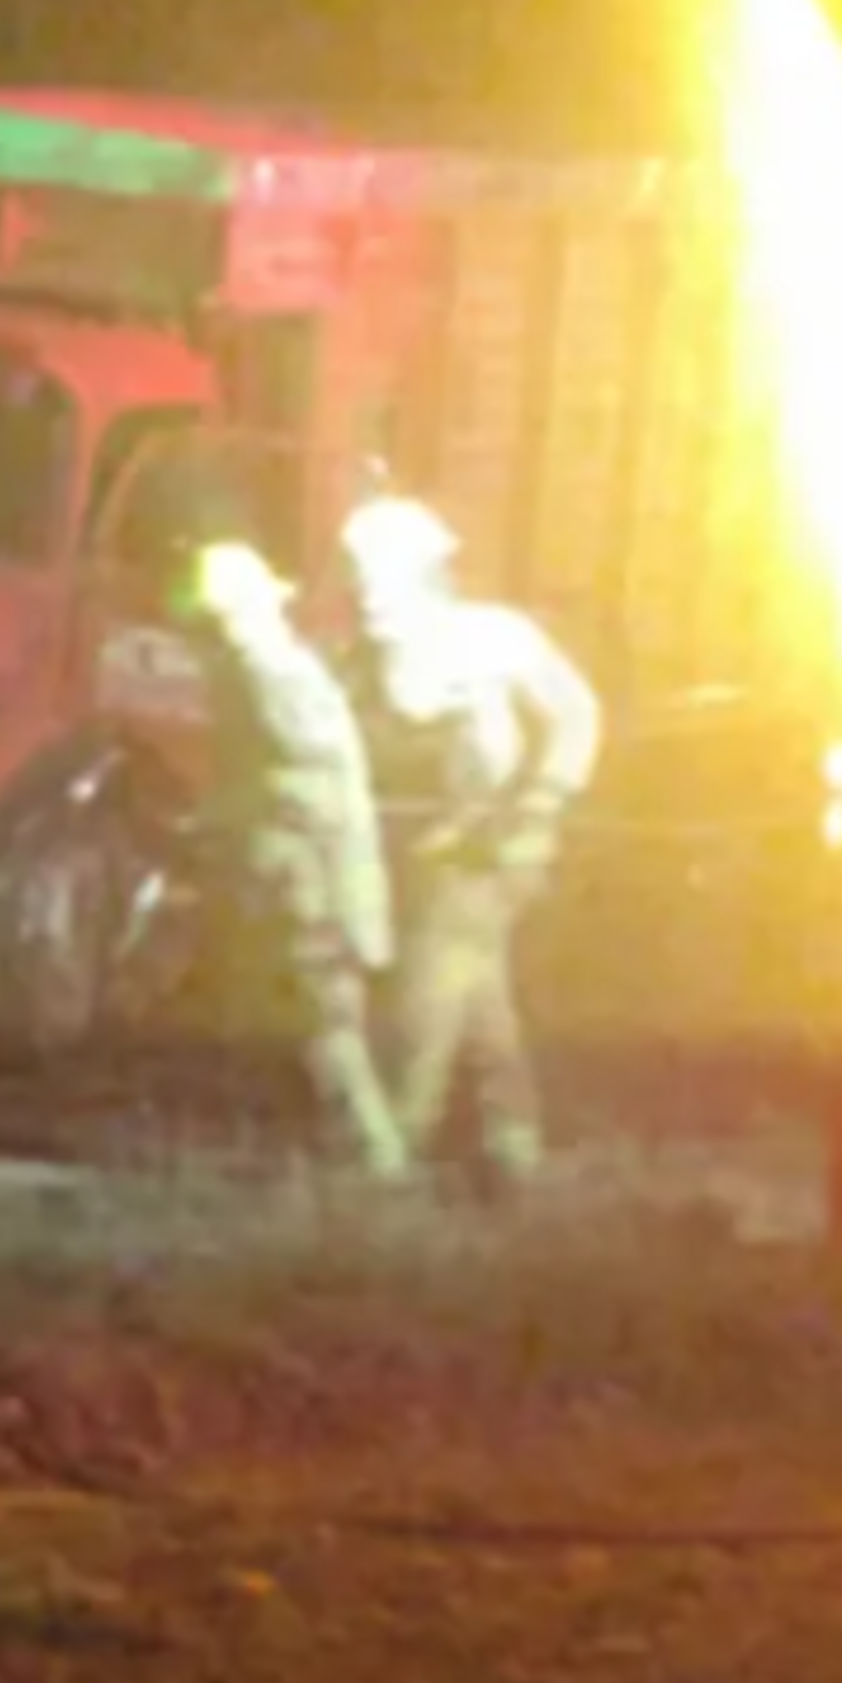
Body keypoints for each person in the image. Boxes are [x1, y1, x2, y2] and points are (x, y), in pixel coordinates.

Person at [335, 485, 603, 1193]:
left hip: (488, 853)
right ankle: (513, 1153)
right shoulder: (368, 661)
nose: (366, 594)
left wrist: (543, 801)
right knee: (480, 996)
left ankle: (392, 1154)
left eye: (377, 578)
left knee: (430, 995)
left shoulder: (493, 637)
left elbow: (577, 711)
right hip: (433, 856)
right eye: (358, 578)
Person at [176, 538, 410, 1180]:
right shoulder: (264, 671)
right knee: (296, 1025)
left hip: (309, 882)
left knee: (326, 1027)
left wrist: (239, 824)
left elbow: (311, 776)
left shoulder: (269, 674)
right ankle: (324, 1161)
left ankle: (374, 1161)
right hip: (294, 879)